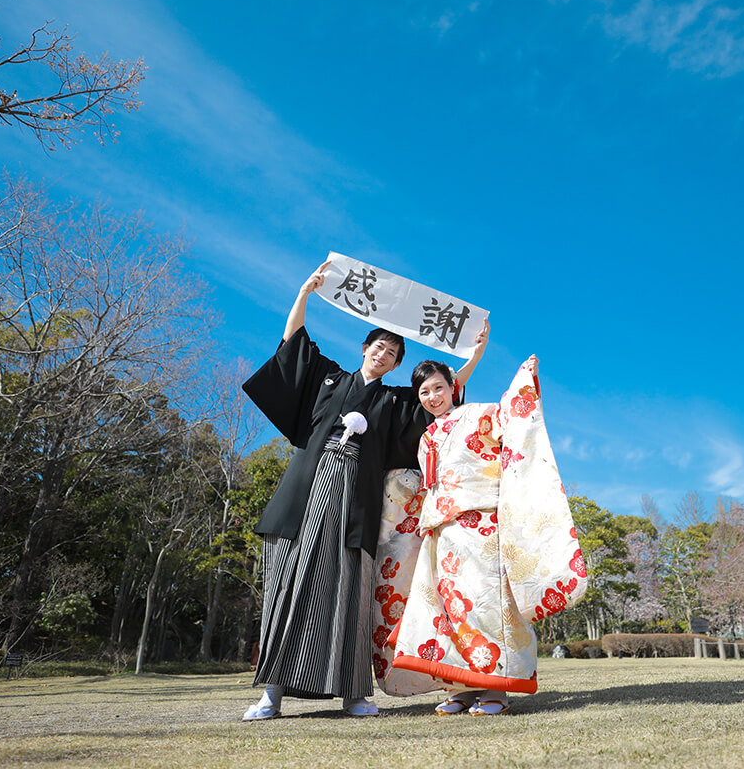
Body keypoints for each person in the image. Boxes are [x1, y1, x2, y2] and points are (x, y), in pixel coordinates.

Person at [240, 260, 486, 720]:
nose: (385, 354)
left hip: (357, 500)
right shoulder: (330, 378)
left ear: (396, 363)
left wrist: (473, 356)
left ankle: (354, 693)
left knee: (352, 591)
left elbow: (439, 396)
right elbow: (294, 346)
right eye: (379, 346)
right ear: (366, 348)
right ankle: (270, 695)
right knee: (290, 585)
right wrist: (304, 294)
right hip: (309, 490)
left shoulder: (393, 401)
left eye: (393, 352)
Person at [369, 351, 587, 715]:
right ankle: (461, 687)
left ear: (453, 388)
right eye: (424, 392)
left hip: (482, 522)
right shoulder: (427, 438)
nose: (433, 397)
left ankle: (495, 690)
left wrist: (521, 383)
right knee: (448, 610)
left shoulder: (480, 413)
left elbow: (512, 420)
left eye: (438, 387)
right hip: (442, 531)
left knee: (485, 604)